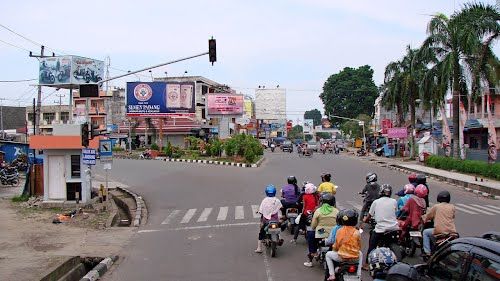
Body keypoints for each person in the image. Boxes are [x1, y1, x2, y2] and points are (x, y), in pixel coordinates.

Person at [363, 184, 399, 270]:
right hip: (394, 228)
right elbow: (396, 213)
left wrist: (365, 220)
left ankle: (367, 264)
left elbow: (369, 216)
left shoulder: (376, 202)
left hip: (380, 230)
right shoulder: (394, 201)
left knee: (372, 246)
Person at [325, 209, 362, 280]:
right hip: (354, 258)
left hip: (342, 258)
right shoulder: (357, 232)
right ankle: (359, 274)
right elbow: (359, 246)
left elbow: (336, 245)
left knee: (328, 255)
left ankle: (332, 274)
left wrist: (335, 250)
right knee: (360, 253)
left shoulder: (339, 231)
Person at [304, 193, 338, 267]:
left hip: (322, 231)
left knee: (310, 233)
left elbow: (313, 226)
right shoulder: (336, 211)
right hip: (334, 233)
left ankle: (312, 253)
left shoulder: (318, 211)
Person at [421, 190, 456, 257]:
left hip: (440, 231)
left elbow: (428, 216)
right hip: (451, 232)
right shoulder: (452, 207)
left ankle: (427, 252)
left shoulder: (436, 206)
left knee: (425, 232)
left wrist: (423, 218)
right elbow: (453, 216)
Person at [255, 184, 283, 253]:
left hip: (266, 221)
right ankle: (280, 238)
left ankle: (259, 248)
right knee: (278, 229)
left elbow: (261, 211)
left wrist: (258, 211)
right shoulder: (277, 200)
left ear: (266, 192)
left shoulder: (264, 200)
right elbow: (281, 207)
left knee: (261, 232)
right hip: (275, 220)